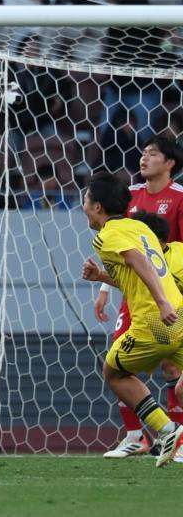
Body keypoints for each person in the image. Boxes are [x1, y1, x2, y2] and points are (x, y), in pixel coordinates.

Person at [80, 172, 183, 468]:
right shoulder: (139, 227)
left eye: (85, 200)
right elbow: (138, 274)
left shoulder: (107, 236)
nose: (83, 206)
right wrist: (101, 276)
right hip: (179, 314)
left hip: (155, 319)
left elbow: (139, 261)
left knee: (113, 372)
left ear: (97, 206)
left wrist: (161, 302)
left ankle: (168, 430)